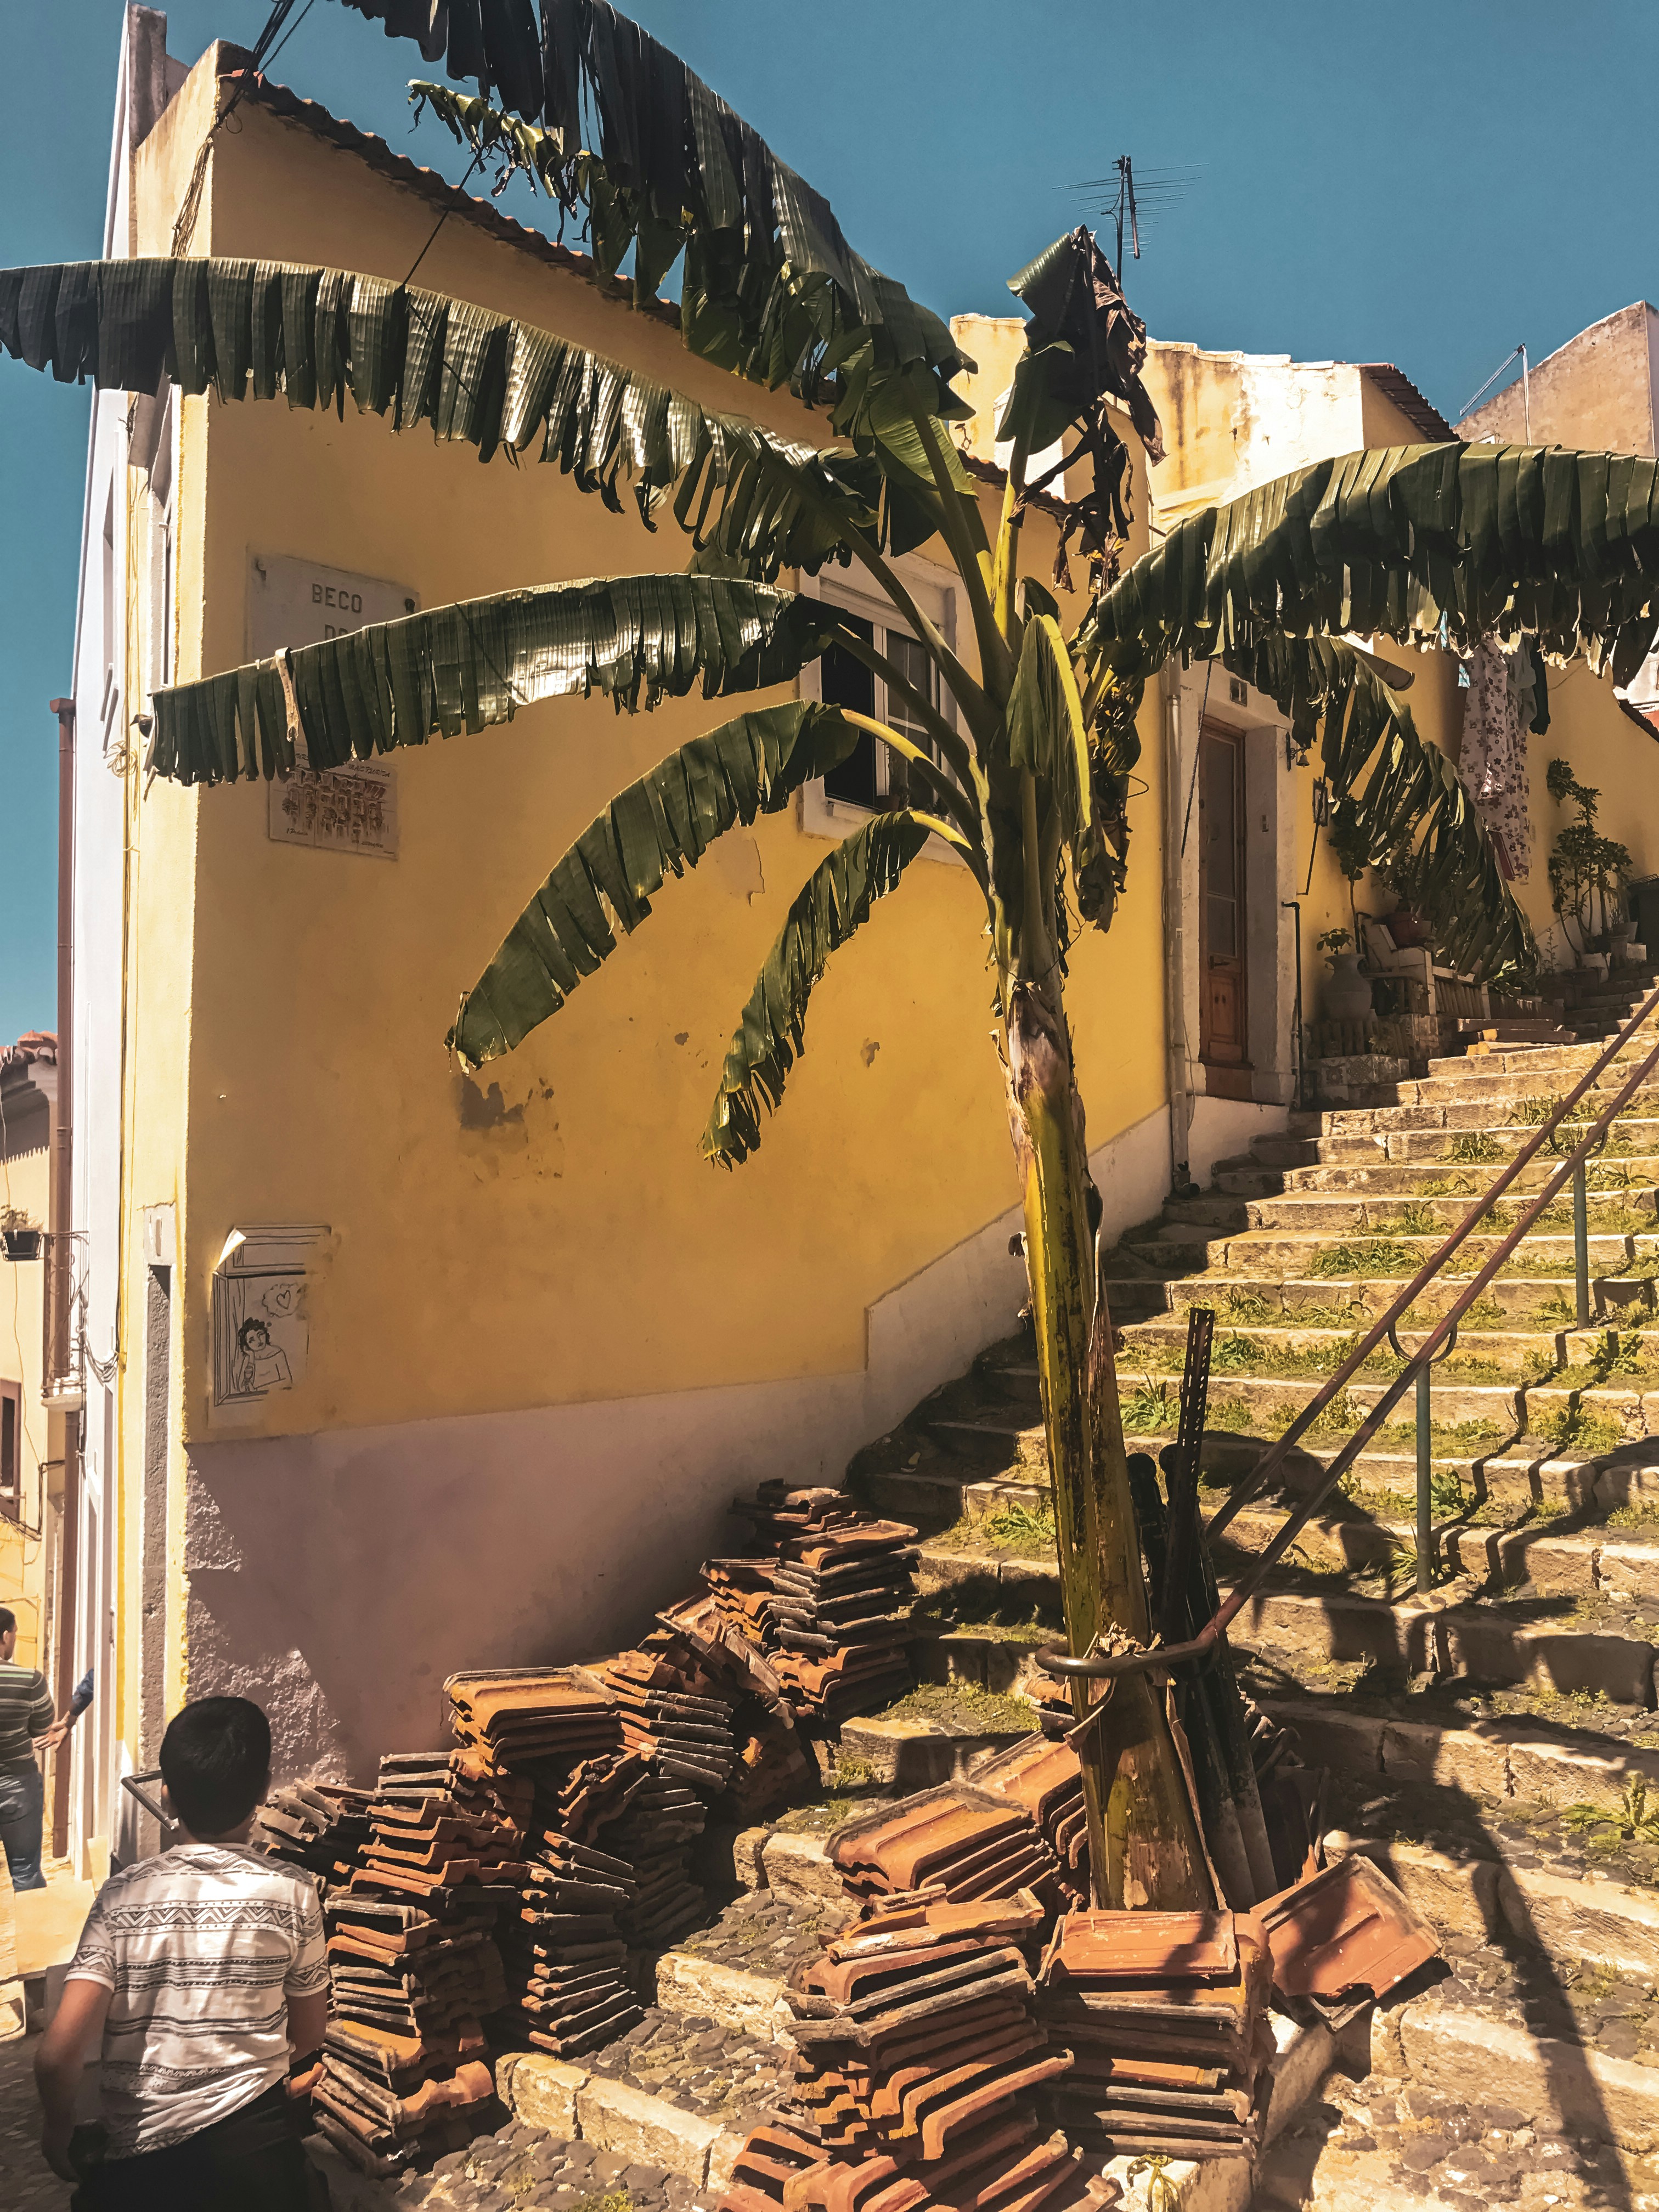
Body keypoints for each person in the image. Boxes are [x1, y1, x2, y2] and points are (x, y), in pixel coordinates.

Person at [33, 1695, 330, 2209]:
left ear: (166, 1797)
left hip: (140, 2172)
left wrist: (57, 2133)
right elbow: (307, 2035)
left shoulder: (121, 1897)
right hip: (261, 2161)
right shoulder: (294, 1891)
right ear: (262, 1791)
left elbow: (58, 2057)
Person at [0, 1601, 57, 1891]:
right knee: (25, 1874)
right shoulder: (29, 1679)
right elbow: (42, 1727)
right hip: (17, 1786)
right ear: (7, 1636)